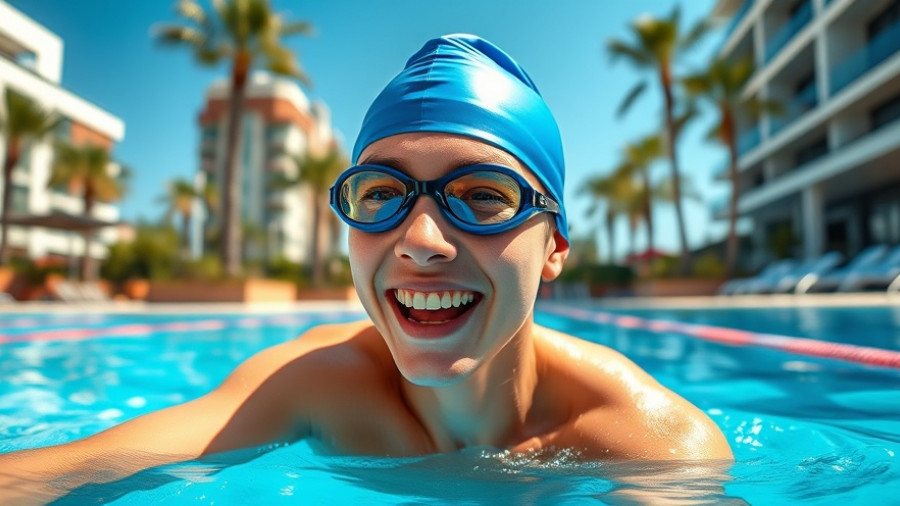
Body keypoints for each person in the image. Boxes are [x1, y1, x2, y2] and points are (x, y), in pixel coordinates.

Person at [0, 34, 732, 501]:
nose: (421, 240)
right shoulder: (315, 384)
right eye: (380, 194)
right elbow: (61, 473)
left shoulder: (650, 444)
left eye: (483, 196)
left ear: (554, 250)